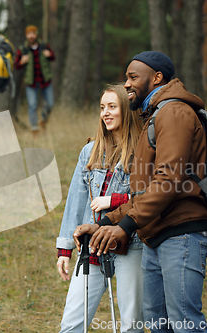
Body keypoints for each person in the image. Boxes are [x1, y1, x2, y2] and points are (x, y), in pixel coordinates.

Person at [74, 51, 207, 333]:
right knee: (158, 324)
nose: (126, 84)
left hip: (181, 234)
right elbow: (145, 191)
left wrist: (126, 226)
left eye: (133, 77)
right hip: (156, 234)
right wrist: (106, 223)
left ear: (157, 78)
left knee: (185, 324)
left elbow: (168, 180)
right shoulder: (154, 116)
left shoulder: (174, 113)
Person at [56, 84, 144, 333]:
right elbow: (76, 199)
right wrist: (65, 249)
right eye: (102, 107)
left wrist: (115, 200)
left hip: (132, 243)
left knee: (131, 325)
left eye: (112, 107)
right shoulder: (89, 151)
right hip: (92, 244)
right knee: (72, 323)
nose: (105, 113)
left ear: (126, 111)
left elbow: (149, 195)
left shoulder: (142, 151)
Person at [15, 25, 55, 138]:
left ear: (36, 34)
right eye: (29, 34)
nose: (31, 36)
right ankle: (34, 129)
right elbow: (16, 65)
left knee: (50, 104)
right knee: (32, 105)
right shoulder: (23, 49)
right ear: (26, 35)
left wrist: (49, 54)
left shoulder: (43, 46)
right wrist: (22, 62)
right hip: (31, 82)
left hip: (45, 80)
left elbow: (53, 57)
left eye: (33, 33)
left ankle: (43, 120)